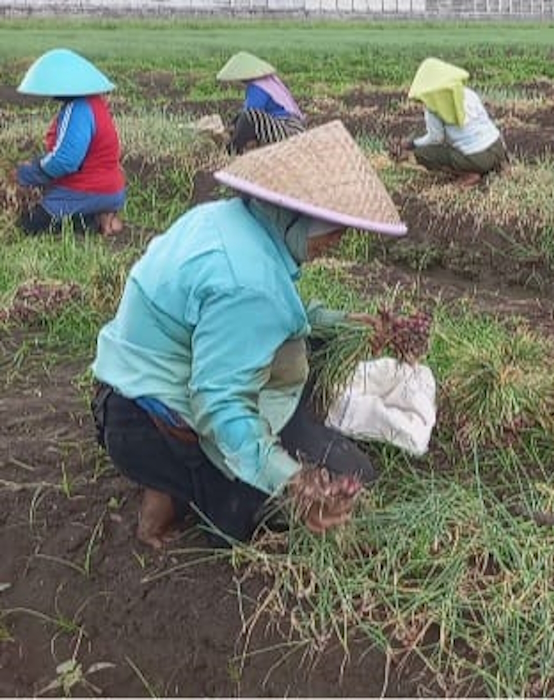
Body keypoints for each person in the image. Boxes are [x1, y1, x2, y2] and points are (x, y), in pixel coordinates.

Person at [90, 121, 408, 549]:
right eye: (334, 227)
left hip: (122, 391)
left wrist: (343, 323)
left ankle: (174, 476)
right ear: (297, 214)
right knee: (311, 493)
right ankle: (171, 488)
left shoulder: (226, 220)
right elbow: (220, 405)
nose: (338, 241)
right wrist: (292, 481)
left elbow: (264, 320)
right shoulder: (248, 281)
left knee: (340, 461)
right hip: (153, 422)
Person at [13, 48, 126, 236]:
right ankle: (101, 215)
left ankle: (91, 221)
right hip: (111, 188)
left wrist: (27, 173)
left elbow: (65, 161)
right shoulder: (95, 104)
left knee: (28, 221)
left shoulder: (77, 109)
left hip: (88, 188)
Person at [398, 58, 506, 188]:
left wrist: (412, 144)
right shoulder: (467, 93)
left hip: (477, 159)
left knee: (424, 154)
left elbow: (436, 139)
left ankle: (468, 174)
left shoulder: (433, 108)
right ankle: (499, 165)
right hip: (498, 147)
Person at [216, 51, 306, 155]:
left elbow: (250, 115)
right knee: (244, 116)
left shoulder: (258, 88)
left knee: (249, 116)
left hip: (289, 130)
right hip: (287, 126)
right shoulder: (267, 83)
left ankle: (232, 150)